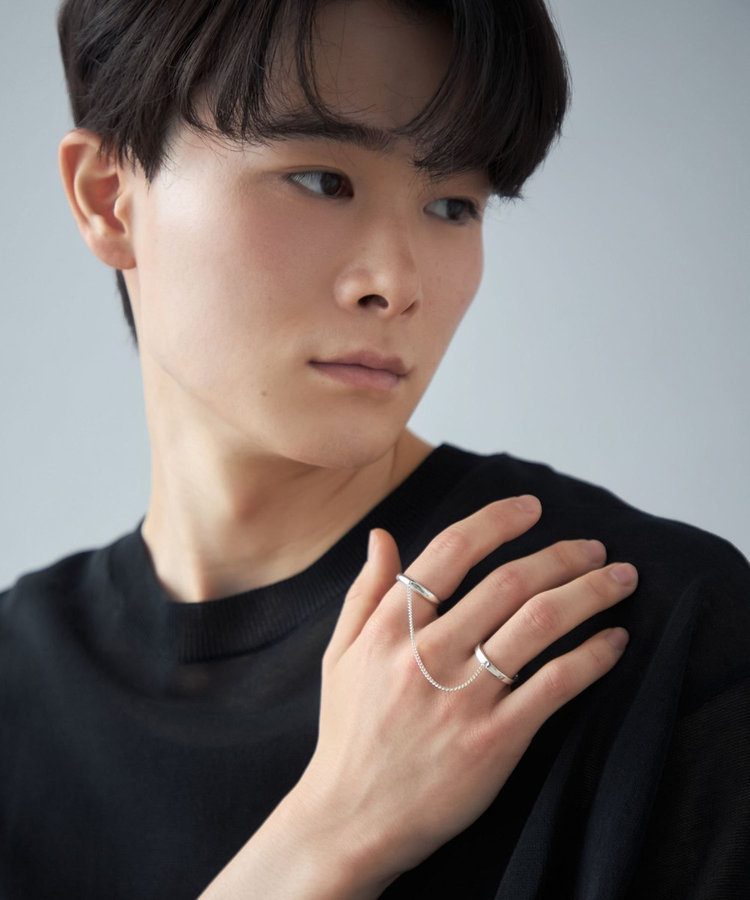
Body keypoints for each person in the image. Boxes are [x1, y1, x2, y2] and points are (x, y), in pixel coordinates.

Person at [1, 0, 748, 897]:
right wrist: (326, 839)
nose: (396, 283)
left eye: (452, 204)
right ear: (108, 198)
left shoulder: (648, 634)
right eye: (323, 180)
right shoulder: (14, 692)